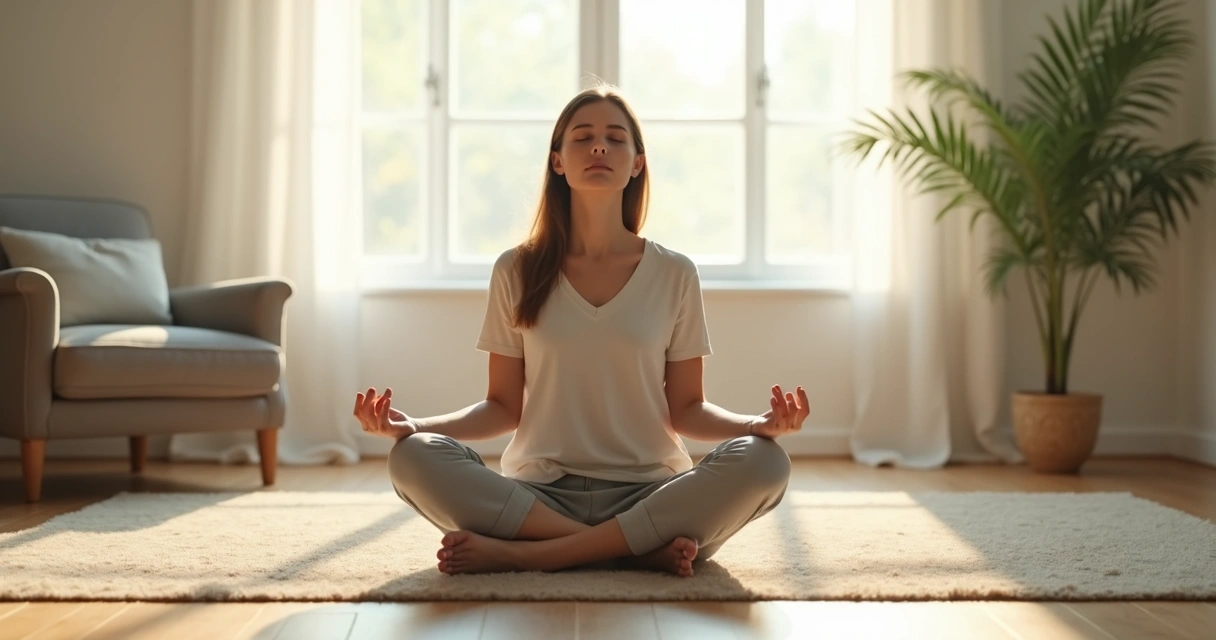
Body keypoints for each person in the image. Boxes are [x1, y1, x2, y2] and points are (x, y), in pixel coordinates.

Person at [353, 85, 809, 578]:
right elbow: (502, 407)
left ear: (637, 163)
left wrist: (756, 427)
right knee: (412, 457)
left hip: (651, 494)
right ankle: (630, 552)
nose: (598, 148)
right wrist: (414, 427)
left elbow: (687, 409)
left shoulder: (675, 273)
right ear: (557, 161)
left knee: (766, 462)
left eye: (615, 138)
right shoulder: (516, 270)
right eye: (583, 137)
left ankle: (530, 554)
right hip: (539, 497)